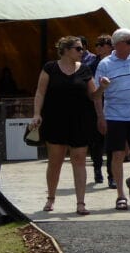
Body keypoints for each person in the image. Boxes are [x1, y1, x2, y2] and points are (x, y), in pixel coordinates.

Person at [31, 36, 97, 215]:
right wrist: (36, 114)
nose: (82, 51)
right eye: (78, 48)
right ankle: (51, 198)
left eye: (82, 48)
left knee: (79, 160)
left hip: (80, 121)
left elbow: (94, 96)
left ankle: (81, 203)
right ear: (66, 50)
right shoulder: (50, 68)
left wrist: (103, 88)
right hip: (55, 120)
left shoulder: (85, 69)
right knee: (55, 162)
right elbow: (40, 92)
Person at [93, 28, 130, 210]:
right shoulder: (105, 64)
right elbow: (95, 95)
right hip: (115, 115)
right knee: (117, 154)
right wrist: (100, 116)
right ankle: (120, 194)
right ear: (118, 44)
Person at [87, 34, 114, 186]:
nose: (97, 47)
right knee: (96, 141)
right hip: (96, 105)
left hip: (113, 106)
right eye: (96, 45)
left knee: (112, 142)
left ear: (110, 46)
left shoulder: (116, 63)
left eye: (101, 44)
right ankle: (97, 169)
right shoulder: (92, 65)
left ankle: (112, 175)